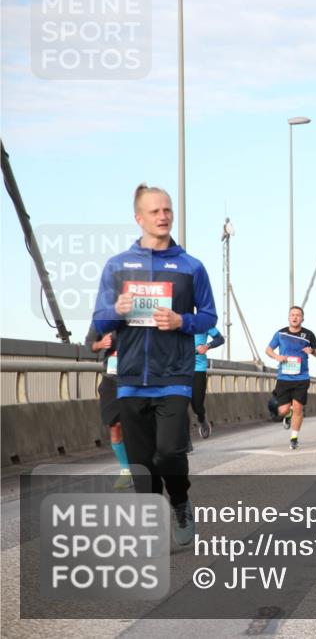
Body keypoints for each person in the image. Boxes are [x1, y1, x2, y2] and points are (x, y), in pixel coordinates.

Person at [91, 183, 217, 546]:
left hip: (174, 375)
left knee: (170, 453)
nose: (163, 216)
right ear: (139, 218)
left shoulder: (191, 267)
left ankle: (180, 502)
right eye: (155, 211)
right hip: (131, 377)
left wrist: (182, 321)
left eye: (167, 210)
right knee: (142, 463)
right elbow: (99, 321)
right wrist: (116, 311)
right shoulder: (117, 266)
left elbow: (209, 316)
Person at [265, 306, 316, 450]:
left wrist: (312, 351)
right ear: (289, 317)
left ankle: (294, 438)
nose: (295, 317)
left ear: (302, 318)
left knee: (298, 407)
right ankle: (288, 415)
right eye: (292, 315)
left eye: (298, 315)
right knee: (283, 410)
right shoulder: (281, 333)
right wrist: (277, 356)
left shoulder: (308, 334)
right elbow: (268, 350)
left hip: (301, 378)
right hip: (284, 377)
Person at [84, 326, 132, 490]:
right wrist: (100, 344)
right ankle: (126, 471)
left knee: (137, 425)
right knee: (115, 425)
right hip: (111, 378)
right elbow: (89, 344)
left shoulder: (140, 315)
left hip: (135, 378)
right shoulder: (102, 319)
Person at [191, 327, 224, 440]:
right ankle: (185, 441)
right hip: (179, 368)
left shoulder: (204, 322)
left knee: (197, 405)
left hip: (198, 368)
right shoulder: (177, 319)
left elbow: (220, 339)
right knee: (179, 407)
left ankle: (202, 419)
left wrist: (206, 346)